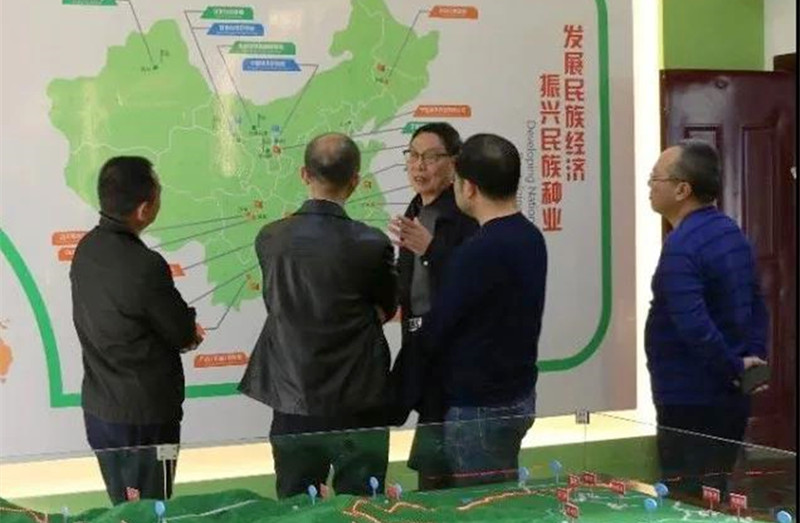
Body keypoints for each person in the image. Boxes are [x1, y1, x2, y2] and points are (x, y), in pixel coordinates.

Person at [238, 132, 398, 499]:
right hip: (358, 395)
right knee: (361, 504)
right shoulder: (372, 243)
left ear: (304, 174)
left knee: (297, 502)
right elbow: (387, 307)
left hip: (293, 393)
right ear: (355, 181)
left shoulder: (270, 237)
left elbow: (280, 302)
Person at [70, 156, 203, 504]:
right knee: (152, 506)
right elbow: (180, 332)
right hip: (146, 419)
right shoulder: (145, 266)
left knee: (123, 504)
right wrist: (191, 331)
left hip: (101, 410)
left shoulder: (86, 249)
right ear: (144, 209)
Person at [645, 139, 769, 498]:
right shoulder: (730, 231)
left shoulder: (682, 246)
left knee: (689, 499)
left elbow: (694, 326)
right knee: (716, 491)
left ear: (682, 190)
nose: (650, 186)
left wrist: (734, 368)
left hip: (690, 399)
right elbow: (758, 304)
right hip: (730, 394)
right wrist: (751, 365)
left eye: (656, 178)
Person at [422, 133, 548, 487]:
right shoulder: (530, 237)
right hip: (517, 396)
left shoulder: (477, 250)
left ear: (469, 188)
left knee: (481, 504)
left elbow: (441, 326)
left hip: (479, 407)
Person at [388, 122, 478, 490]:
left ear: (454, 164)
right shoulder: (415, 208)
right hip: (420, 349)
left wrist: (431, 250)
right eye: (412, 155)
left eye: (430, 157)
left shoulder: (465, 217)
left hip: (454, 360)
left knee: (448, 469)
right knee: (430, 462)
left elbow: (473, 284)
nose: (418, 166)